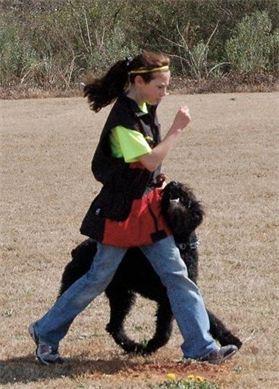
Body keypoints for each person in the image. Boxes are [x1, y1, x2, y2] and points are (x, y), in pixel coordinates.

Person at [29, 51, 238, 365]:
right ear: (138, 81)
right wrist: (178, 129)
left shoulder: (142, 107)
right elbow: (150, 158)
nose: (165, 92)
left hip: (148, 213)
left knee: (177, 276)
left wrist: (156, 179)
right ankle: (45, 332)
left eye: (167, 86)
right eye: (160, 86)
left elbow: (148, 166)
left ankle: (202, 347)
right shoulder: (123, 122)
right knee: (97, 279)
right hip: (122, 216)